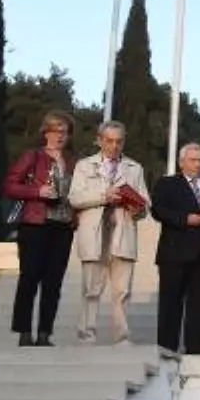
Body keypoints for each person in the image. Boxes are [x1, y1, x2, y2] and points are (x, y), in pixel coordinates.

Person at [67, 120, 149, 346]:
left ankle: (122, 337)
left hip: (122, 234)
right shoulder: (84, 166)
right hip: (94, 234)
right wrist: (104, 195)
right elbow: (75, 198)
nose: (114, 146)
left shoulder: (135, 168)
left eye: (119, 141)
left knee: (122, 293)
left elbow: (145, 205)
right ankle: (86, 335)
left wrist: (138, 209)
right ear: (100, 140)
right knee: (91, 290)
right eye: (109, 141)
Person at [1, 109, 77, 348]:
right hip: (35, 224)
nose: (60, 136)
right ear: (45, 132)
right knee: (30, 278)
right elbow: (9, 186)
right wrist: (37, 192)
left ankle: (45, 333)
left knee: (53, 282)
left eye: (64, 131)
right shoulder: (32, 156)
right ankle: (24, 331)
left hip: (63, 226)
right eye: (55, 130)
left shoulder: (74, 161)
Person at [151, 143, 200, 354]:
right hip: (175, 254)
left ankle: (197, 351)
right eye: (193, 160)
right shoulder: (167, 184)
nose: (198, 164)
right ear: (181, 162)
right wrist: (185, 219)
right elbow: (158, 210)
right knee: (170, 305)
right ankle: (166, 350)